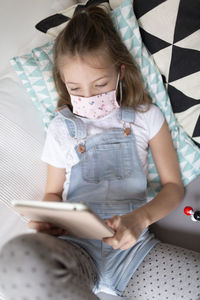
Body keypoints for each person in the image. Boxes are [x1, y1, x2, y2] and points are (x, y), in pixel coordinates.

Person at [0, 6, 200, 300]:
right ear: (64, 84)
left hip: (133, 255)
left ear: (120, 73)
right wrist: (47, 222)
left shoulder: (146, 117)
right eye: (76, 89)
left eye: (100, 84)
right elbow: (52, 193)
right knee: (19, 256)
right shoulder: (61, 127)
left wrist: (140, 218)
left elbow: (172, 189)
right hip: (75, 250)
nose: (89, 97)